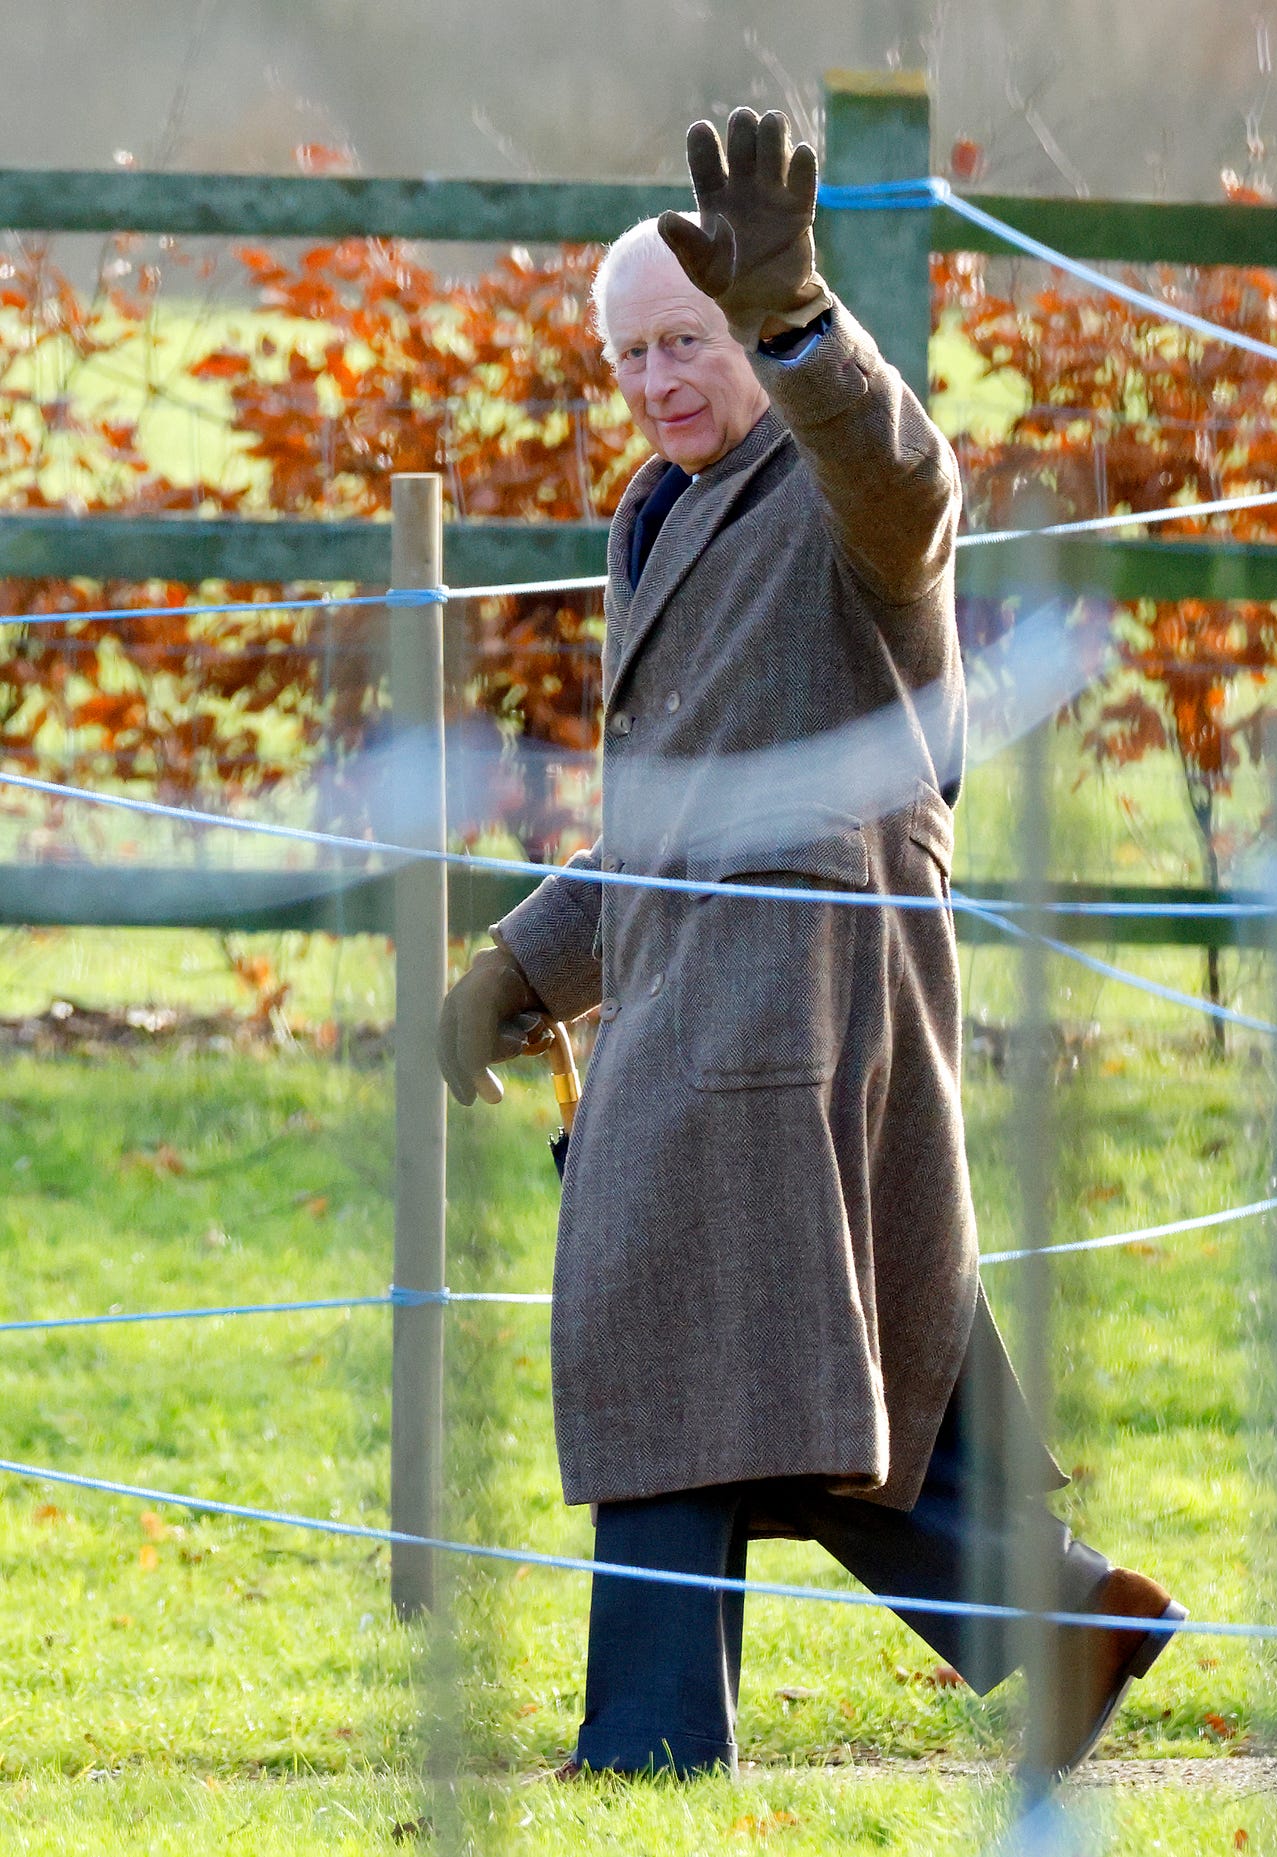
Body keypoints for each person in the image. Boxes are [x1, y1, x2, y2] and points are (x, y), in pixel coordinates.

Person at [437, 107, 1184, 1788]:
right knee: (768, 1387)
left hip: (809, 1012)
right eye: (631, 350)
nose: (655, 377)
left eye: (687, 341)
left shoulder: (842, 497)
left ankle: (647, 1741)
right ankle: (1064, 1625)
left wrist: (799, 323)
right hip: (698, 1002)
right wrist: (529, 965)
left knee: (698, 1342)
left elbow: (908, 471)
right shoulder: (657, 509)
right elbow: (674, 822)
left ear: (752, 330)